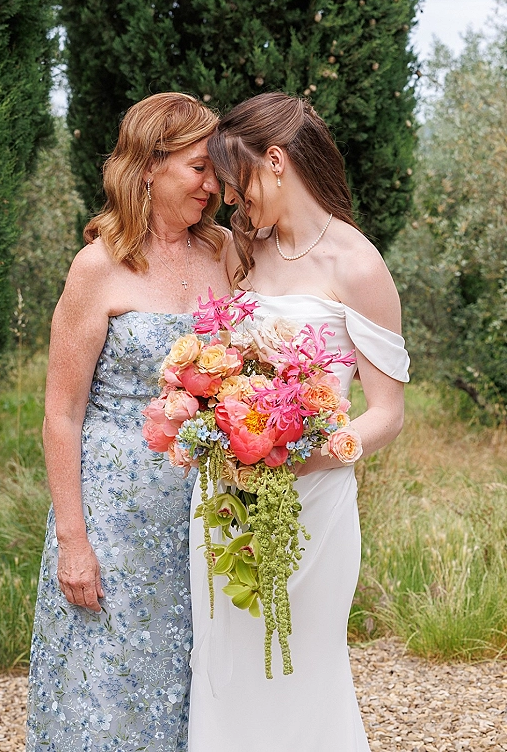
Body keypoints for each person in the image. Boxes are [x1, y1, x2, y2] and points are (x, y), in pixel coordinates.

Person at [188, 92, 410, 752]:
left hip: (311, 505)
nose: (233, 203)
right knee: (225, 672)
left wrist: (300, 454)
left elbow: (388, 414)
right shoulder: (244, 253)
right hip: (225, 504)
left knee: (303, 669)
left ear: (276, 161)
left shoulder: (358, 265)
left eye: (238, 185)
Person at [26, 93, 231, 752]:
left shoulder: (226, 254)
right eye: (199, 168)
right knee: (107, 693)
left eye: (217, 170)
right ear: (148, 166)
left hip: (202, 514)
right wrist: (73, 542)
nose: (213, 184)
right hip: (112, 519)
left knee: (191, 689)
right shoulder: (98, 266)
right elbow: (61, 412)